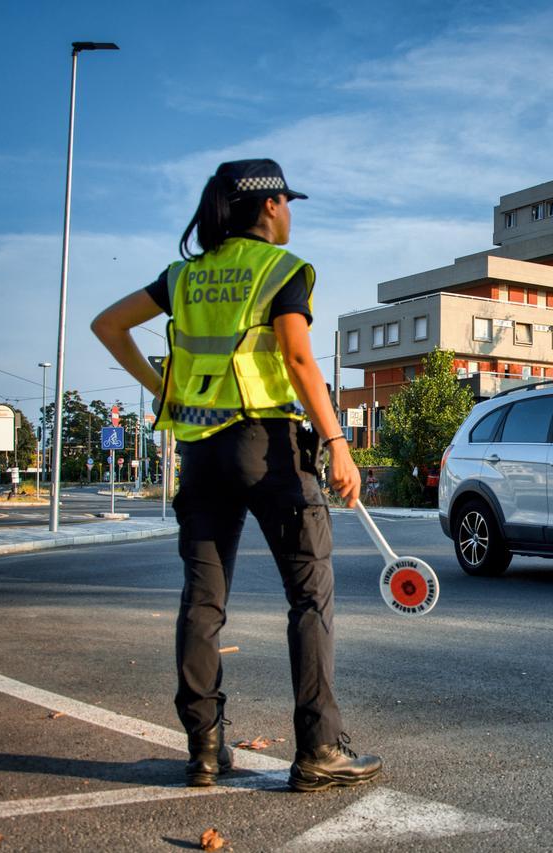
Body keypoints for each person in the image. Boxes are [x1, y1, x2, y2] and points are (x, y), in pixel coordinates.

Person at [91, 159, 380, 792]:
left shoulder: (186, 276)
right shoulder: (282, 269)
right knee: (309, 595)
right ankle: (320, 750)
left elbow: (106, 325)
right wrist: (338, 442)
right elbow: (299, 356)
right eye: (288, 202)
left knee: (203, 600)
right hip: (268, 448)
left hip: (201, 452)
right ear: (270, 205)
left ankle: (203, 751)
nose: (291, 213)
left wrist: (163, 388)